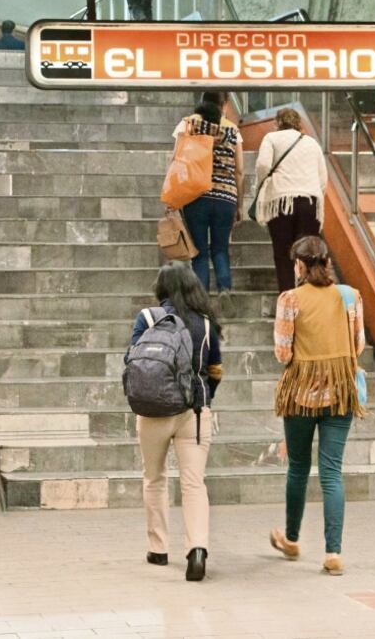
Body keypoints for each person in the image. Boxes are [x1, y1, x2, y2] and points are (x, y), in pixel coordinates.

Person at [269, 236, 365, 576]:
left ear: (299, 265)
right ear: (326, 262)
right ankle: (333, 552)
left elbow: (283, 352)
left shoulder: (290, 299)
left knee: (298, 467)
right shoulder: (351, 297)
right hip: (340, 394)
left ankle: (292, 540)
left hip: (301, 396)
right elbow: (358, 345)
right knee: (331, 472)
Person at [127, 262, 222, 582]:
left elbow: (133, 361)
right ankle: (197, 549)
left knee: (154, 478)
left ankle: (159, 548)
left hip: (152, 411)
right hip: (193, 412)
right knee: (194, 483)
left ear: (161, 288)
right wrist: (205, 397)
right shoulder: (206, 324)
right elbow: (215, 370)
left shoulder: (148, 318)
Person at [172, 92, 244, 317]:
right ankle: (224, 289)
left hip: (196, 196)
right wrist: (239, 204)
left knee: (199, 252)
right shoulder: (232, 129)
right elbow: (239, 170)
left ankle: (201, 300)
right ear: (223, 105)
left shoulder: (188, 125)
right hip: (225, 198)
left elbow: (176, 160)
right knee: (220, 248)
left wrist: (174, 197)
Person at [254, 107, 328, 293]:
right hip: (309, 202)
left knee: (282, 253)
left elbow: (263, 164)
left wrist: (264, 183)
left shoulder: (271, 138)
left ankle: (287, 298)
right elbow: (323, 178)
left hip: (280, 201)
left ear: (277, 123)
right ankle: (311, 296)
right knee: (308, 254)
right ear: (298, 123)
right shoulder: (312, 143)